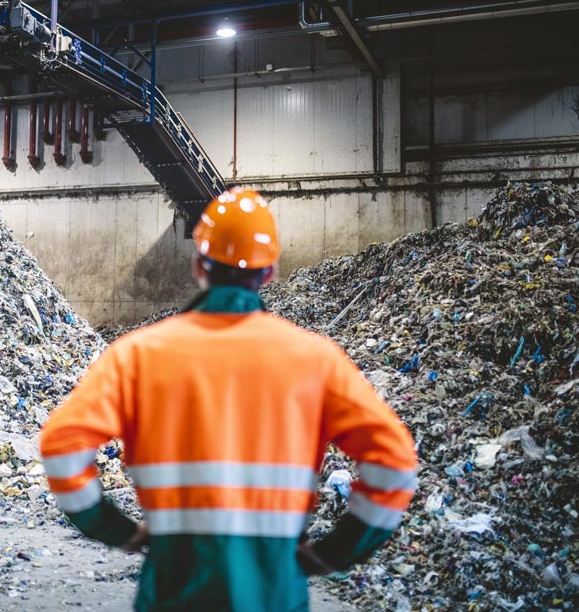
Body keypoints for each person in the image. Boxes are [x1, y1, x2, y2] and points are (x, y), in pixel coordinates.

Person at [39, 188, 418, 611]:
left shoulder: (138, 355)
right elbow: (395, 463)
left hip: (172, 590)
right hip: (274, 592)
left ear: (198, 264)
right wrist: (336, 551)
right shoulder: (316, 360)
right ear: (269, 272)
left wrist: (114, 528)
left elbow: (62, 445)